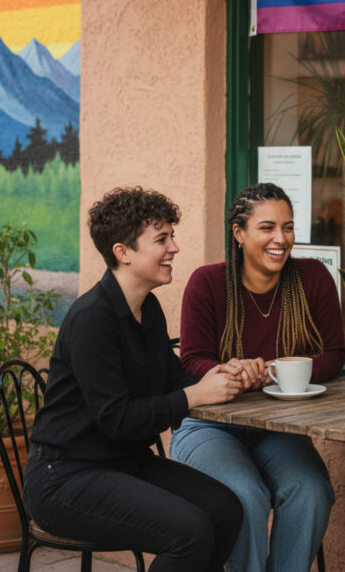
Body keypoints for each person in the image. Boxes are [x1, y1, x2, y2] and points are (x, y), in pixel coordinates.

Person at [24, 187, 244, 572]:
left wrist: (214, 375)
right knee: (190, 532)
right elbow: (117, 418)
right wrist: (195, 396)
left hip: (123, 463)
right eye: (162, 239)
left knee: (225, 509)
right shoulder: (93, 318)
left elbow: (169, 377)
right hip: (64, 477)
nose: (174, 247)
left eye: (172, 236)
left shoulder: (148, 307)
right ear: (122, 252)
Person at [170, 182, 345, 572]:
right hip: (209, 425)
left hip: (279, 427)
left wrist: (276, 371)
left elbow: (334, 355)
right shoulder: (208, 282)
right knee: (245, 496)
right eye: (267, 228)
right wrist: (228, 370)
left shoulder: (313, 278)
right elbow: (191, 360)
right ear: (239, 233)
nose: (280, 239)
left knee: (312, 491)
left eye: (288, 227)